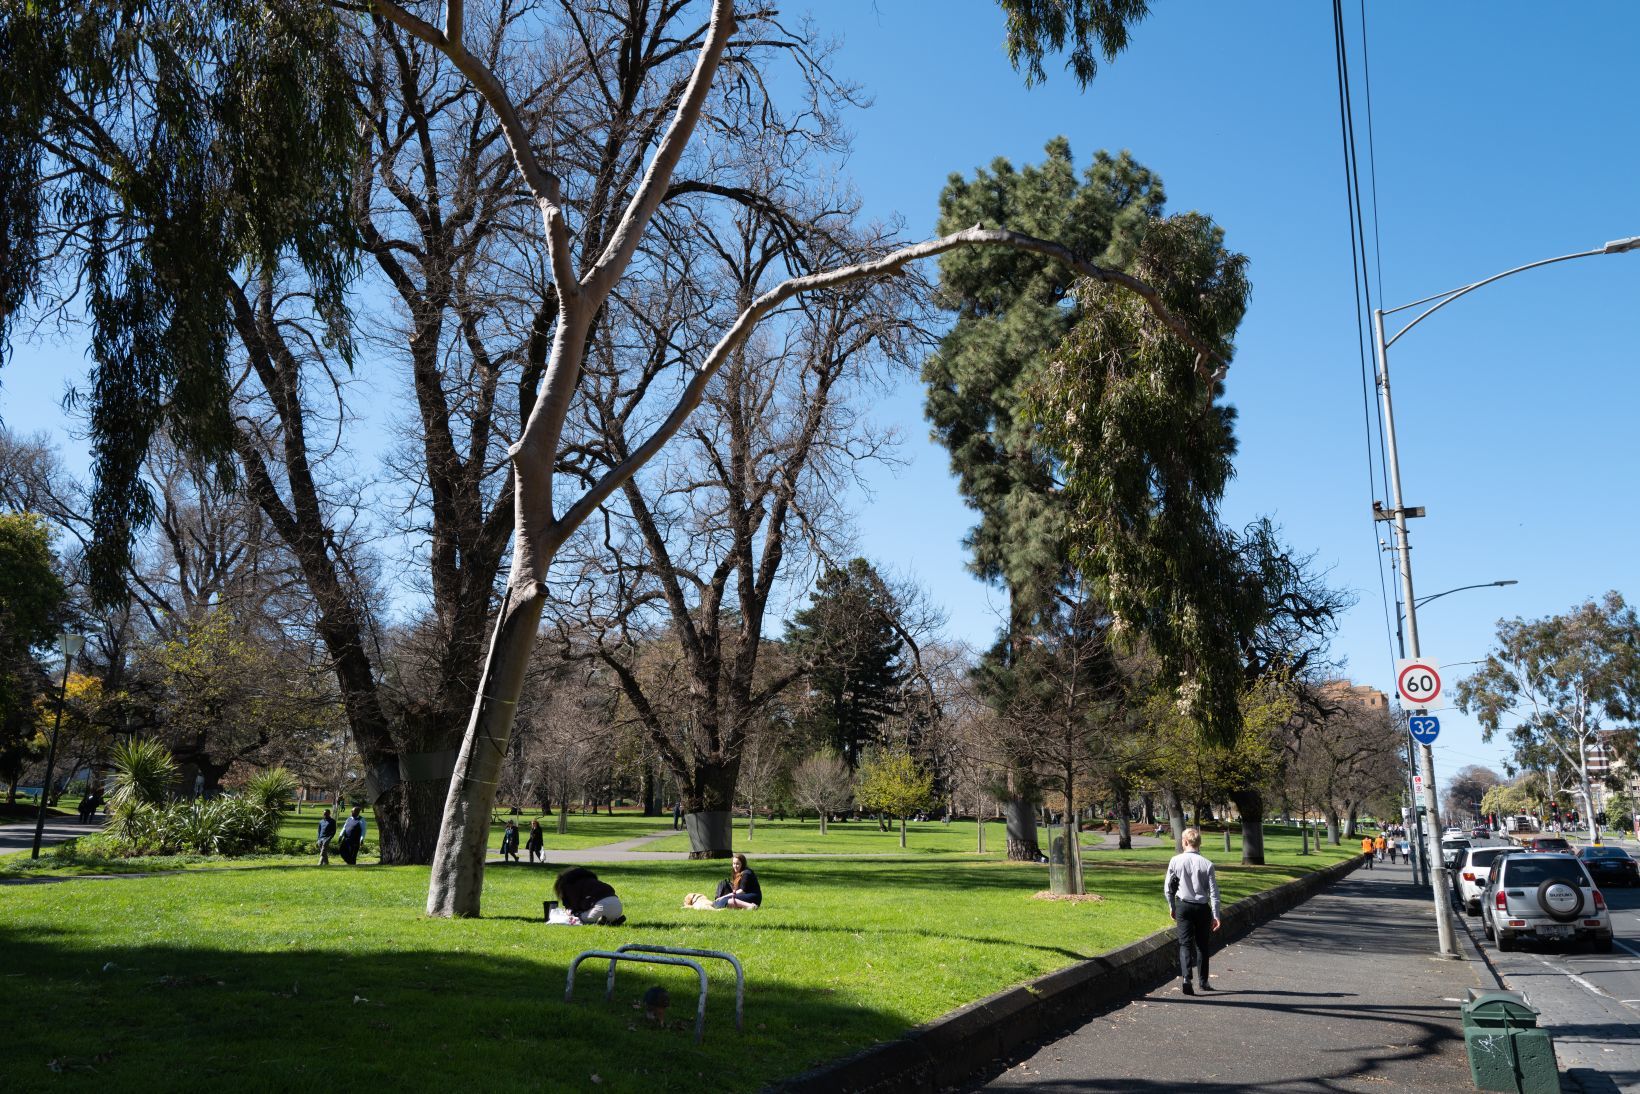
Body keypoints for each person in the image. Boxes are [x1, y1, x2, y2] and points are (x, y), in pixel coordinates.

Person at [1164, 827, 1220, 995]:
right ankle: (1203, 981)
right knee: (1202, 945)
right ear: (1198, 843)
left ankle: (1186, 977)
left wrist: (1172, 906)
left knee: (1185, 943)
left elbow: (1168, 888)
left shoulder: (1175, 860)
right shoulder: (1207, 864)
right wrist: (1216, 914)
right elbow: (1214, 893)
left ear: (1185, 842)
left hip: (1183, 905)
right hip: (1202, 907)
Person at [554, 867, 624, 925]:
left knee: (577, 916)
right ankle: (611, 921)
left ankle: (599, 922)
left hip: (601, 909)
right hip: (618, 908)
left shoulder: (569, 885)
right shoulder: (591, 881)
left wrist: (570, 911)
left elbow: (574, 904)